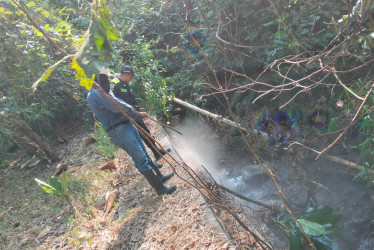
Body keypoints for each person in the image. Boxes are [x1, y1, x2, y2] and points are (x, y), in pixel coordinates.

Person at [87, 74, 176, 195]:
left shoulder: (104, 91)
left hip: (126, 125)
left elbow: (118, 102)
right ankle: (160, 188)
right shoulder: (95, 94)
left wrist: (136, 114)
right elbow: (116, 106)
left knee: (144, 154)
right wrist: (136, 112)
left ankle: (160, 177)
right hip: (119, 130)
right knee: (140, 158)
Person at [110, 65, 170, 161]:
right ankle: (150, 158)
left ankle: (156, 152)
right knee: (140, 136)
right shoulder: (114, 84)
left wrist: (139, 112)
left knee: (145, 132)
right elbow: (115, 103)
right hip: (126, 117)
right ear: (126, 75)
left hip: (134, 114)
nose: (131, 79)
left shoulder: (125, 83)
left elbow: (130, 100)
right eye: (131, 76)